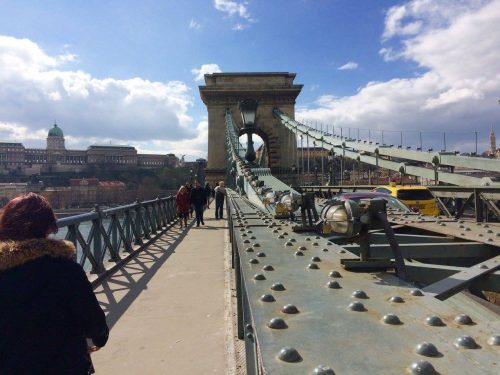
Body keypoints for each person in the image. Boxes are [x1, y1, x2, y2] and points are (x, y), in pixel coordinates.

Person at [0, 193, 109, 374]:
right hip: (64, 366)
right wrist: (98, 338)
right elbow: (93, 322)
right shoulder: (66, 270)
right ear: (48, 228)